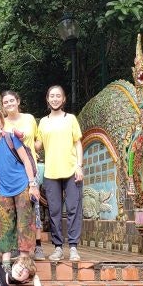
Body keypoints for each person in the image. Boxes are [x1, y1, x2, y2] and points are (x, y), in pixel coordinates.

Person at [0, 109, 39, 267]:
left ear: (2, 122)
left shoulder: (11, 138)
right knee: (4, 224)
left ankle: (24, 258)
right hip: (4, 190)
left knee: (25, 222)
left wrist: (33, 184)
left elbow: (26, 160)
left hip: (22, 185)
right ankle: (6, 260)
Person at [36, 85, 84, 262]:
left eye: (58, 96)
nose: (55, 99)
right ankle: (57, 247)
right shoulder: (43, 122)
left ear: (63, 99)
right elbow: (37, 146)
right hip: (50, 172)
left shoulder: (70, 118)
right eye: (52, 96)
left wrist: (79, 166)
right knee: (54, 211)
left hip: (71, 170)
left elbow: (78, 143)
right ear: (47, 99)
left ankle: (73, 247)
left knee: (73, 209)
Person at [1, 90, 46, 260]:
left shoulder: (29, 119)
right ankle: (15, 246)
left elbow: (37, 142)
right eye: (5, 102)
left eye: (12, 100)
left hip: (29, 168)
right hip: (10, 172)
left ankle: (38, 244)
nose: (9, 104)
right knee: (13, 211)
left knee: (33, 207)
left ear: (18, 101)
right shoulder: (2, 123)